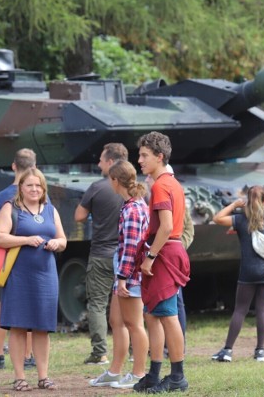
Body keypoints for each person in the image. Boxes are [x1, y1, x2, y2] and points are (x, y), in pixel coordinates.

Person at [0, 168, 67, 392]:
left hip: (46, 275)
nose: (34, 189)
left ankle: (43, 376)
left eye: (38, 186)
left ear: (43, 188)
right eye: (29, 185)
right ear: (21, 188)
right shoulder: (10, 208)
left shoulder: (51, 209)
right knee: (18, 326)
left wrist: (57, 244)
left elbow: (62, 238)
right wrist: (25, 239)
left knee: (42, 326)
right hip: (18, 275)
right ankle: (19, 377)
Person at [134, 131, 190, 393]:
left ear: (159, 156)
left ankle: (177, 376)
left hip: (165, 252)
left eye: (144, 155)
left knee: (168, 316)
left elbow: (166, 227)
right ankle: (155, 374)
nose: (140, 160)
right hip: (168, 250)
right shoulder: (171, 183)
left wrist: (150, 257)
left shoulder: (161, 185)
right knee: (153, 315)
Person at [89, 160, 150, 389]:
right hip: (123, 274)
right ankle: (114, 371)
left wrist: (123, 277)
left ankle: (138, 373)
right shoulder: (132, 205)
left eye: (110, 179)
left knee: (135, 324)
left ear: (116, 180)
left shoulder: (133, 209)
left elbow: (131, 248)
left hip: (130, 276)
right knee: (117, 321)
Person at [211, 185, 264, 363]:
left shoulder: (242, 220)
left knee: (241, 310)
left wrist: (234, 204)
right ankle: (260, 351)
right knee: (263, 309)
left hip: (248, 272)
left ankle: (227, 351)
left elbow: (217, 218)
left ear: (247, 201)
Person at [74, 143, 128, 365]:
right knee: (129, 303)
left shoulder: (97, 187)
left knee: (97, 303)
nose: (98, 164)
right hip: (126, 256)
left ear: (111, 162)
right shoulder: (134, 189)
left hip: (101, 254)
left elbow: (79, 216)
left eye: (101, 160)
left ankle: (99, 353)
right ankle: (133, 348)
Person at [0, 148, 39, 370]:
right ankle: (28, 356)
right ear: (34, 167)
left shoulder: (2, 196)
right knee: (29, 305)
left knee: (3, 304)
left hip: (7, 260)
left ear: (13, 166)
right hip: (32, 257)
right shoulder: (38, 193)